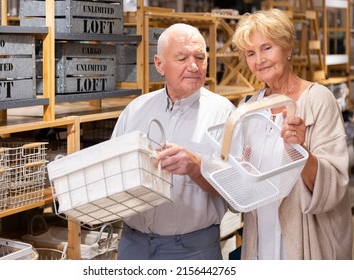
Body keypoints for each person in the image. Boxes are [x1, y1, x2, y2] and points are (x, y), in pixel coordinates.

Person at [231, 8, 353, 259]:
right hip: (261, 238)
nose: (259, 60)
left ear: (287, 48)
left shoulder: (318, 99)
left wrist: (300, 150)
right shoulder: (248, 108)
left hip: (305, 238)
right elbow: (241, 190)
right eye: (251, 53)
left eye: (267, 48)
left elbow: (335, 186)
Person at [111, 23, 236, 260]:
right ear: (159, 65)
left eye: (200, 57)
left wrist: (197, 167)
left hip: (192, 249)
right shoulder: (136, 110)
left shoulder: (224, 115)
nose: (193, 66)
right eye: (182, 58)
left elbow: (236, 193)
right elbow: (114, 174)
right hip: (132, 244)